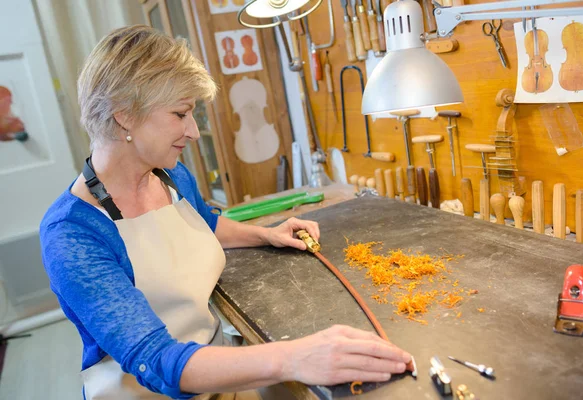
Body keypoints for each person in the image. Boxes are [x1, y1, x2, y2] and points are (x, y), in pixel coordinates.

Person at [40, 25, 413, 399]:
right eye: (180, 113)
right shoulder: (72, 234)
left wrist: (268, 234)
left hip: (220, 375)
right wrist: (296, 357)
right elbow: (155, 360)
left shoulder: (171, 177)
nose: (192, 131)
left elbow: (203, 222)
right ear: (124, 115)